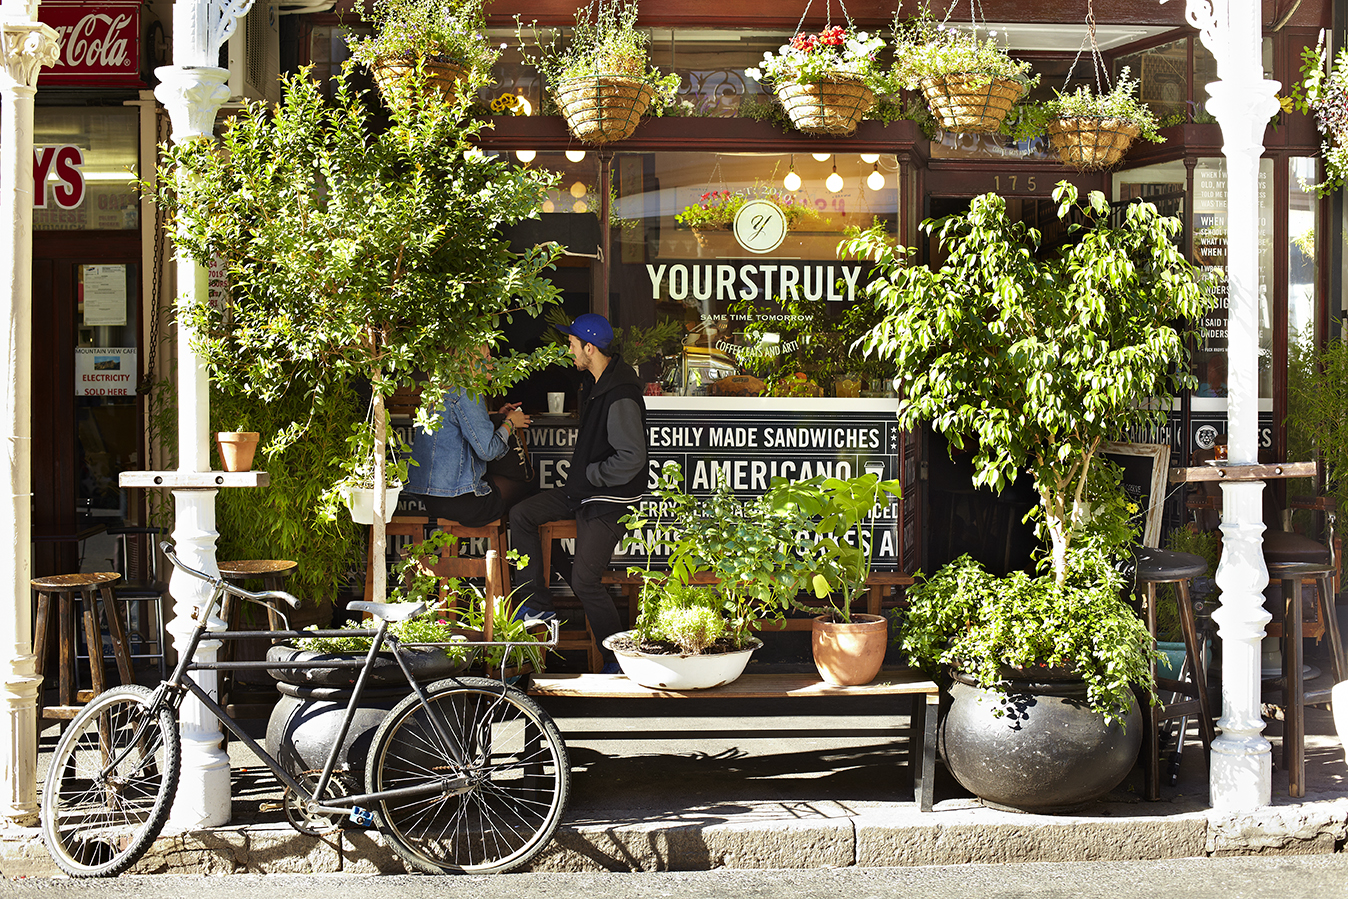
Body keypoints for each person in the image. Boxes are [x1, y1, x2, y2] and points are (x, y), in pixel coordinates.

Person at [509, 313, 648, 672]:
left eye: (572, 343)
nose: (568, 349)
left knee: (584, 582)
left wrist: (593, 474)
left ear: (590, 347)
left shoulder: (619, 392)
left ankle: (619, 662)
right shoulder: (594, 383)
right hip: (583, 491)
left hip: (608, 500)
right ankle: (539, 605)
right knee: (523, 515)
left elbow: (632, 458)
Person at [403, 345, 530, 528]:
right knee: (529, 483)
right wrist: (510, 423)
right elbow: (487, 451)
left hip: (432, 500)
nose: (492, 363)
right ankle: (529, 553)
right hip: (460, 499)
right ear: (471, 361)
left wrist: (496, 414)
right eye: (486, 357)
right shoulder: (468, 394)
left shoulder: (437, 390)